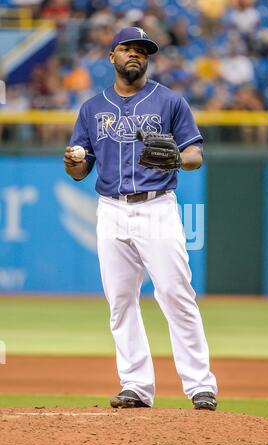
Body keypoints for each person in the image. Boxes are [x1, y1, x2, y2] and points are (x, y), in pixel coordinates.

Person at [64, 27, 218, 410]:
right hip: (111, 210)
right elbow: (81, 169)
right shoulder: (91, 108)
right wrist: (73, 164)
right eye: (126, 48)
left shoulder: (170, 102)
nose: (135, 54)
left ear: (148, 58)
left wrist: (178, 159)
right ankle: (135, 385)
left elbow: (195, 154)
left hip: (156, 207)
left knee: (176, 294)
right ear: (111, 57)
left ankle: (200, 385)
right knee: (120, 301)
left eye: (142, 50)